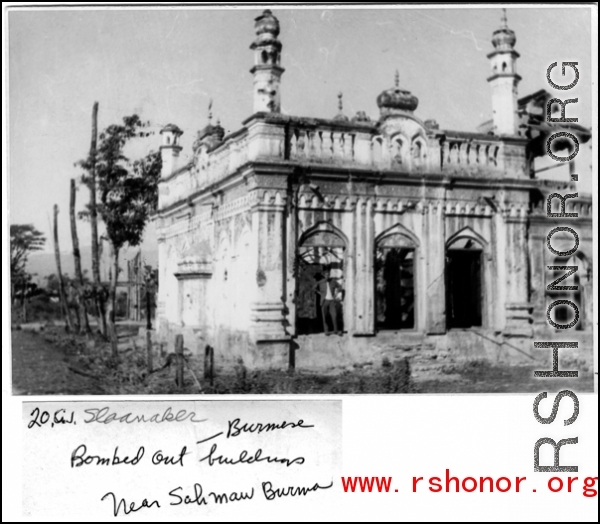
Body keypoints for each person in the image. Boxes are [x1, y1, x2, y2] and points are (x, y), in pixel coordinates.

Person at [313, 269, 343, 336]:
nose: (327, 276)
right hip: (324, 301)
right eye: (326, 275)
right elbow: (314, 288)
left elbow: (340, 287)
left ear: (329, 275)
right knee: (325, 317)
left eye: (328, 275)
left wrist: (336, 293)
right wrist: (320, 293)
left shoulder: (333, 281)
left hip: (332, 301)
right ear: (324, 276)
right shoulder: (320, 282)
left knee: (334, 316)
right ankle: (326, 331)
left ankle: (336, 330)